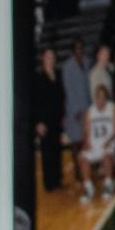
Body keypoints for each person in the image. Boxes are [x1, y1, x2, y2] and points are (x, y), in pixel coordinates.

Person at [34, 45, 66, 191]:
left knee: (57, 150)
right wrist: (39, 122)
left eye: (52, 57)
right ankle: (49, 183)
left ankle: (58, 180)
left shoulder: (57, 74)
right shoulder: (39, 78)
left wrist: (63, 115)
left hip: (56, 119)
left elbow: (61, 97)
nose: (50, 59)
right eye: (48, 57)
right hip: (45, 120)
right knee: (47, 152)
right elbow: (36, 101)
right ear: (43, 59)